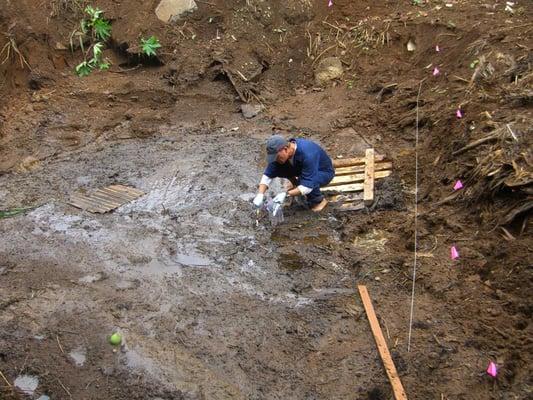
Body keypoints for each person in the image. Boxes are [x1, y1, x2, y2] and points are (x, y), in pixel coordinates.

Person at [253, 134, 335, 213]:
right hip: (301, 170)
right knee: (279, 166)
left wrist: (286, 194)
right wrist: (260, 194)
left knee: (303, 181)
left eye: (277, 157)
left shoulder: (308, 153)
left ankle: (319, 201)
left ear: (285, 149)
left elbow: (307, 187)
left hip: (322, 172)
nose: (276, 159)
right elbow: (268, 175)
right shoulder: (282, 154)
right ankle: (295, 185)